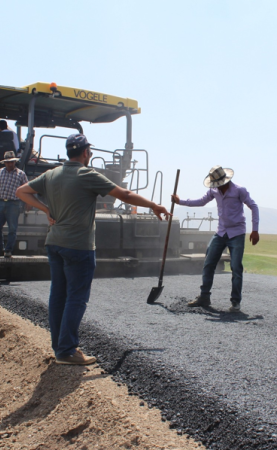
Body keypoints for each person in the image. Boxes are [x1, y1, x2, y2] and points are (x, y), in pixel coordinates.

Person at [16, 134, 170, 365]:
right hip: (78, 246)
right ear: (87, 152)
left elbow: (21, 192)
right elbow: (125, 194)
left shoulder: (51, 174)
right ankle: (67, 351)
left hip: (54, 243)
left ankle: (60, 348)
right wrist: (153, 205)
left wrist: (45, 210)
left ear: (68, 151)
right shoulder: (86, 174)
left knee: (58, 295)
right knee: (76, 298)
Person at [172, 165, 259, 312]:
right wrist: (180, 201)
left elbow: (254, 206)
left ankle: (235, 302)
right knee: (208, 263)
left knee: (236, 267)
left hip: (236, 233)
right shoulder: (214, 191)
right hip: (220, 232)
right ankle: (204, 297)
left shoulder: (239, 190)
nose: (218, 187)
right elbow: (201, 201)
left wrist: (255, 230)